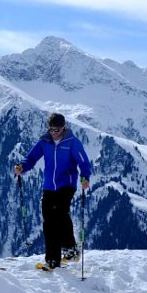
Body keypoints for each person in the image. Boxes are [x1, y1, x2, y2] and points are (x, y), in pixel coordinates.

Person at [14, 112, 91, 271]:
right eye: (51, 129)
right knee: (49, 223)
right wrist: (22, 167)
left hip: (66, 183)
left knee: (60, 215)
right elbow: (31, 158)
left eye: (57, 130)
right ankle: (59, 257)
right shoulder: (44, 141)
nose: (54, 133)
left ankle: (63, 254)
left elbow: (83, 162)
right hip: (49, 185)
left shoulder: (72, 142)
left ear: (64, 128)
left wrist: (85, 177)